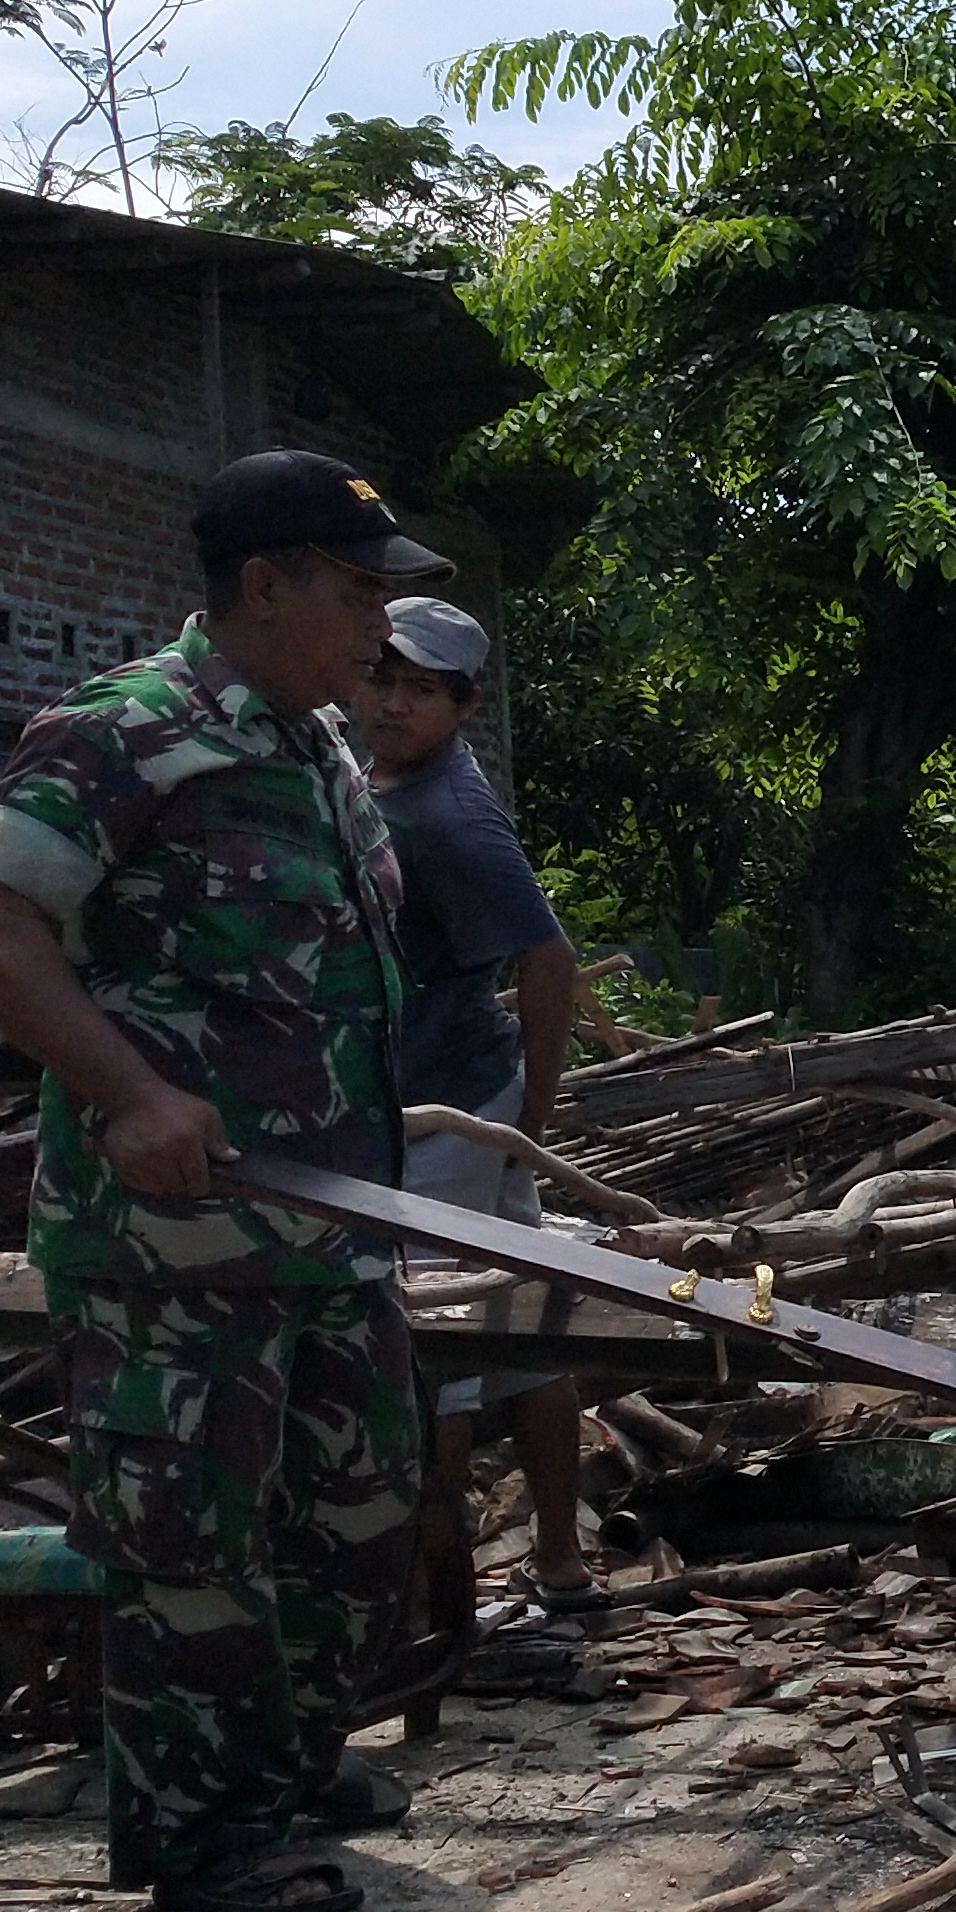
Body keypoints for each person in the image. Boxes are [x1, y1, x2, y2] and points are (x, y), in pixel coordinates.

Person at [0, 450, 443, 1912]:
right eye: (356, 594)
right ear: (262, 585)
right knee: (191, 1540)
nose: (379, 629)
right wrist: (130, 1090)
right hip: (175, 1240)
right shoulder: (123, 732)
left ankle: (279, 1764)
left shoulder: (317, 748)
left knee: (360, 1513)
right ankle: (201, 1834)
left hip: (333, 1228)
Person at [359, 598, 596, 1607]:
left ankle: (428, 1600)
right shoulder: (382, 777)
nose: (395, 704)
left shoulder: (450, 820)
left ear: (463, 704)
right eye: (384, 679)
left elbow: (550, 961)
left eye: (423, 690)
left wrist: (530, 1121)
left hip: (449, 1108)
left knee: (436, 1348)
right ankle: (557, 1558)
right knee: (526, 1327)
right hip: (441, 1095)